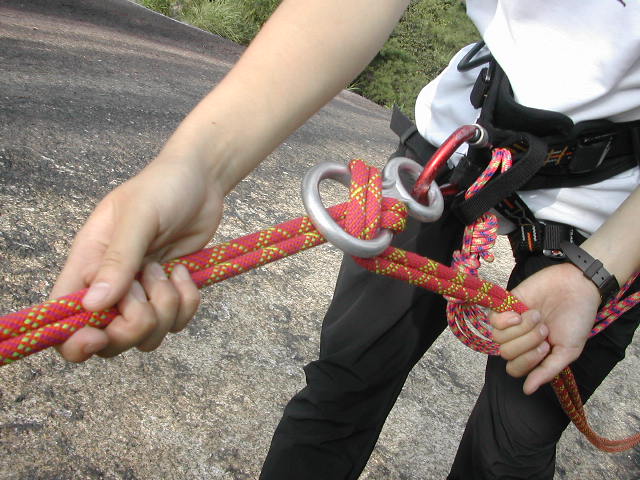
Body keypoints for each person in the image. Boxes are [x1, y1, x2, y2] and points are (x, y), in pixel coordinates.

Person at [51, 0, 640, 478]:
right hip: (454, 150)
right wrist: (196, 166)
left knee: (510, 449)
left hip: (615, 203)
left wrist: (600, 268)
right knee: (345, 383)